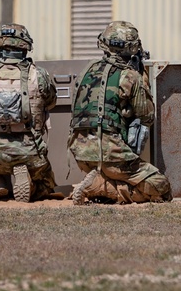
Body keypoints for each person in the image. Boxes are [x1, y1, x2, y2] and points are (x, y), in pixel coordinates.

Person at [69, 20, 172, 205]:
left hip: (79, 151)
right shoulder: (129, 75)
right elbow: (147, 115)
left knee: (118, 171)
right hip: (110, 154)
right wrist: (143, 80)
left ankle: (100, 180)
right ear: (132, 48)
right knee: (162, 187)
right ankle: (99, 186)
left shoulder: (87, 69)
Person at [0, 23, 62, 202]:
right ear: (26, 46)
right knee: (46, 185)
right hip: (30, 152)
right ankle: (30, 182)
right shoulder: (39, 74)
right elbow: (51, 102)